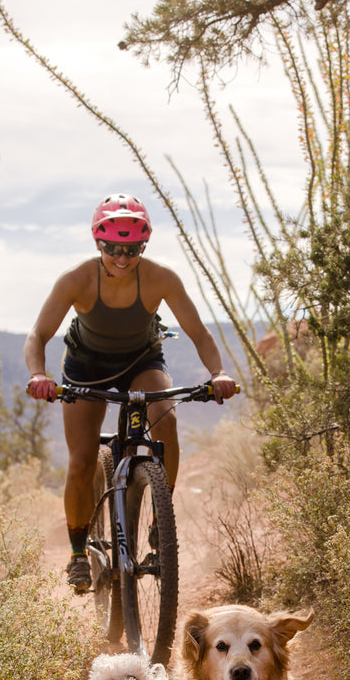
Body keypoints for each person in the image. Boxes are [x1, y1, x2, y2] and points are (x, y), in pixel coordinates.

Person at [25, 192, 237, 592]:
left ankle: (161, 522)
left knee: (167, 424)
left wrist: (219, 371)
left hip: (141, 361)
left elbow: (199, 332)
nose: (121, 258)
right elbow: (37, 334)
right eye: (112, 249)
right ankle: (76, 555)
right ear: (98, 244)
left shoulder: (160, 278)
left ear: (144, 246)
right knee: (82, 461)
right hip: (86, 368)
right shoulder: (77, 279)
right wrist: (39, 374)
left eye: (132, 249)